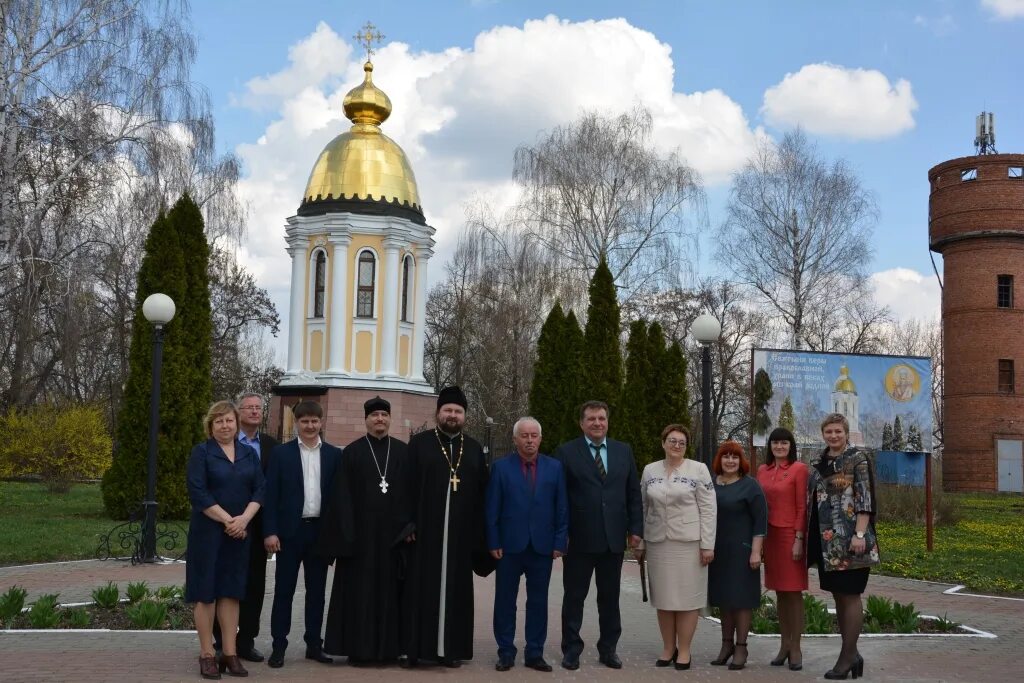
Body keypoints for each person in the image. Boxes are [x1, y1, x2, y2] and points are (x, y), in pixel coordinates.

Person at [319, 396, 416, 664]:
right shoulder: (351, 453)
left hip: (393, 538)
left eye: (384, 415)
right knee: (359, 595)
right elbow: (342, 497)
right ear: (366, 420)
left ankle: (391, 649)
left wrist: (408, 526)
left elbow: (411, 493)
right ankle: (359, 649)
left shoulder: (403, 452)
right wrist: (348, 536)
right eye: (374, 416)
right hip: (360, 540)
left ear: (390, 419)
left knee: (390, 595)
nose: (380, 420)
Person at [404, 386, 490, 667]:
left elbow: (483, 496)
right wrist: (408, 524)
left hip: (460, 539)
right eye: (448, 410)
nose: (452, 415)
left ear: (465, 415)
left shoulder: (475, 449)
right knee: (420, 592)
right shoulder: (419, 444)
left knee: (457, 594)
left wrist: (480, 536)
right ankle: (417, 650)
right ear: (438, 412)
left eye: (458, 411)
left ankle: (451, 652)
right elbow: (406, 488)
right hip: (425, 535)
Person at [556, 400, 643, 671]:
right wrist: (561, 535)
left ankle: (608, 649)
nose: (597, 423)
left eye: (602, 418)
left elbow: (633, 495)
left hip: (612, 539)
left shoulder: (622, 451)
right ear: (582, 423)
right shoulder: (566, 452)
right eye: (591, 419)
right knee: (574, 598)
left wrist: (636, 530)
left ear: (608, 421)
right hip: (578, 540)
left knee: (609, 598)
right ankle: (571, 649)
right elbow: (559, 498)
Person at [185, 400, 265, 679]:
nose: (225, 425)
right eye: (218, 421)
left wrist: (244, 520)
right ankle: (207, 654)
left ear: (236, 423)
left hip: (239, 535)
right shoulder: (201, 453)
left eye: (229, 420)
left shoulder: (248, 454)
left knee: (231, 593)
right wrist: (229, 520)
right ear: (211, 425)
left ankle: (230, 654)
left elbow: (260, 491)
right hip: (208, 535)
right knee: (205, 594)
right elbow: (199, 493)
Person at [486, 417, 569, 673]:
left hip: (542, 547)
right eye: (524, 435)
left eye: (534, 435)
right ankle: (506, 652)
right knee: (504, 601)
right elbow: (492, 509)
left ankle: (535, 652)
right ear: (515, 439)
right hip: (509, 546)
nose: (530, 440)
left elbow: (562, 508)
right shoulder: (501, 468)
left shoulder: (554, 468)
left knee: (538, 602)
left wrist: (559, 542)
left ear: (540, 439)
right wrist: (493, 540)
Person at [262, 400, 341, 669]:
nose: (309, 426)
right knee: (284, 591)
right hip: (288, 535)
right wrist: (270, 531)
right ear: (296, 423)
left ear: (321, 423)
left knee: (316, 593)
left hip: (319, 533)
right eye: (304, 421)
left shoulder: (333, 455)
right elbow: (270, 496)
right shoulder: (281, 455)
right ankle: (279, 646)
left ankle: (314, 644)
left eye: (314, 421)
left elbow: (337, 499)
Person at [807, 413, 880, 680]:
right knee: (838, 596)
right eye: (829, 431)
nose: (834, 436)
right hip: (828, 543)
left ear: (846, 433)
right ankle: (853, 653)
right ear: (823, 433)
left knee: (850, 595)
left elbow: (865, 498)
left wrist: (859, 534)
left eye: (838, 431)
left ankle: (847, 657)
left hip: (851, 540)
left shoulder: (857, 459)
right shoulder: (817, 461)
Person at [637, 424, 715, 671]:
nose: (677, 445)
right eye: (672, 441)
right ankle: (668, 647)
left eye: (681, 442)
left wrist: (707, 545)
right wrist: (640, 541)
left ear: (686, 446)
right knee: (664, 598)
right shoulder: (650, 471)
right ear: (663, 443)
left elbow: (708, 509)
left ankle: (684, 650)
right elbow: (642, 507)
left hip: (690, 544)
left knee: (687, 600)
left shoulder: (699, 470)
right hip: (658, 542)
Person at [211, 392, 279, 663]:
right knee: (223, 585)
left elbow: (271, 492)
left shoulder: (273, 447)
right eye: (248, 407)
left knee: (254, 586)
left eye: (258, 408)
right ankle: (220, 643)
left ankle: (246, 641)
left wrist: (269, 530)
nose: (254, 412)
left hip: (256, 528)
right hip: (223, 527)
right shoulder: (220, 444)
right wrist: (229, 520)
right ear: (238, 412)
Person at [707, 440, 767, 671]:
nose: (730, 461)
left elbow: (760, 521)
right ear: (719, 460)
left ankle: (741, 646)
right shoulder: (712, 485)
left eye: (734, 457)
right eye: (725, 456)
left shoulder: (750, 486)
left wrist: (755, 551)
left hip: (743, 551)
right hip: (718, 551)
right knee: (724, 599)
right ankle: (726, 645)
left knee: (741, 600)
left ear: (740, 461)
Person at [756, 426, 809, 671]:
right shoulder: (762, 471)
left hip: (790, 535)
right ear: (770, 446)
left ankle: (796, 646)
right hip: (770, 536)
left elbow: (802, 506)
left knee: (793, 591)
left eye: (784, 443)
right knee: (779, 591)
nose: (779, 447)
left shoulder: (799, 470)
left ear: (791, 446)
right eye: (775, 443)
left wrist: (799, 537)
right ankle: (783, 644)